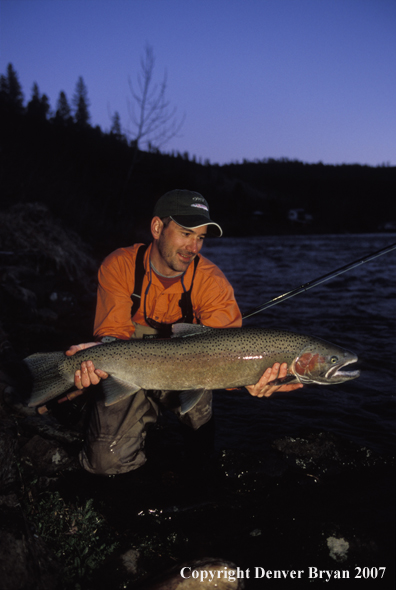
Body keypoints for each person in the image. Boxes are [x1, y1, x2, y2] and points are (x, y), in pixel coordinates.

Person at [66, 189, 302, 475]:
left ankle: (199, 461)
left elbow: (230, 349)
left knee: (199, 425)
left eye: (200, 237)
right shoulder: (120, 265)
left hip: (194, 368)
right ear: (157, 228)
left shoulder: (212, 281)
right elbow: (112, 335)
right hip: (130, 369)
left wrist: (250, 378)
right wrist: (93, 360)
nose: (194, 247)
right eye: (186, 233)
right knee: (104, 463)